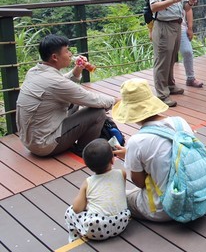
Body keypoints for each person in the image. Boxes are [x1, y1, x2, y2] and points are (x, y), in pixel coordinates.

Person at [16, 34, 115, 157]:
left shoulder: (34, 71)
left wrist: (77, 70)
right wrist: (117, 100)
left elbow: (60, 84)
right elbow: (92, 99)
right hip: (44, 145)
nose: (70, 54)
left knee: (72, 104)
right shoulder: (55, 82)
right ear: (54, 57)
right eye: (67, 51)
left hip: (29, 139)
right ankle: (84, 151)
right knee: (98, 113)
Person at [111, 78, 193, 222]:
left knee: (115, 196)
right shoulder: (180, 123)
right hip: (193, 198)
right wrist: (130, 154)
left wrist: (131, 156)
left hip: (164, 209)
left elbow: (140, 183)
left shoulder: (136, 142)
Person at [148, 0, 198, 107]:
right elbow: (154, 7)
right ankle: (162, 94)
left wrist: (189, 2)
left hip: (177, 25)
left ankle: (170, 85)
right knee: (162, 60)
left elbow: (184, 7)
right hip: (163, 25)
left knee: (171, 58)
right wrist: (173, 0)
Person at [64, 139, 130, 242]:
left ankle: (74, 237)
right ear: (112, 160)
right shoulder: (121, 173)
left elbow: (77, 209)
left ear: (88, 166)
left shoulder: (88, 182)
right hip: (122, 222)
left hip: (97, 229)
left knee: (70, 211)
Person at [180, 8, 204, 88]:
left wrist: (190, 28)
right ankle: (166, 82)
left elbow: (188, 8)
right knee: (167, 55)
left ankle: (190, 78)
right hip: (166, 26)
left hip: (182, 27)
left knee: (187, 51)